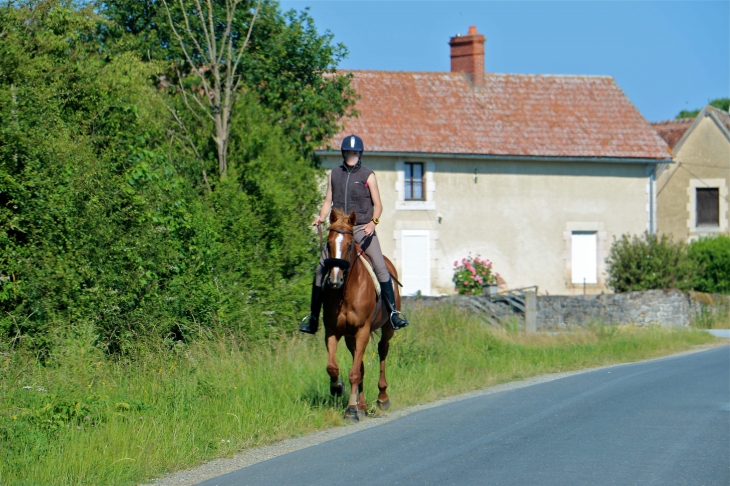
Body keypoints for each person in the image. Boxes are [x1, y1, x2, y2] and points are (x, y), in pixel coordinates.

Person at [299, 134, 409, 334]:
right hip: (340, 230)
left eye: (356, 153)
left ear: (360, 154)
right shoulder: (334, 174)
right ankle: (313, 318)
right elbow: (327, 201)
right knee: (319, 270)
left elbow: (378, 205)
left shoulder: (368, 176)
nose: (353, 156)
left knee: (381, 268)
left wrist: (373, 224)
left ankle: (393, 313)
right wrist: (321, 217)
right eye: (349, 152)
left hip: (362, 229)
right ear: (343, 153)